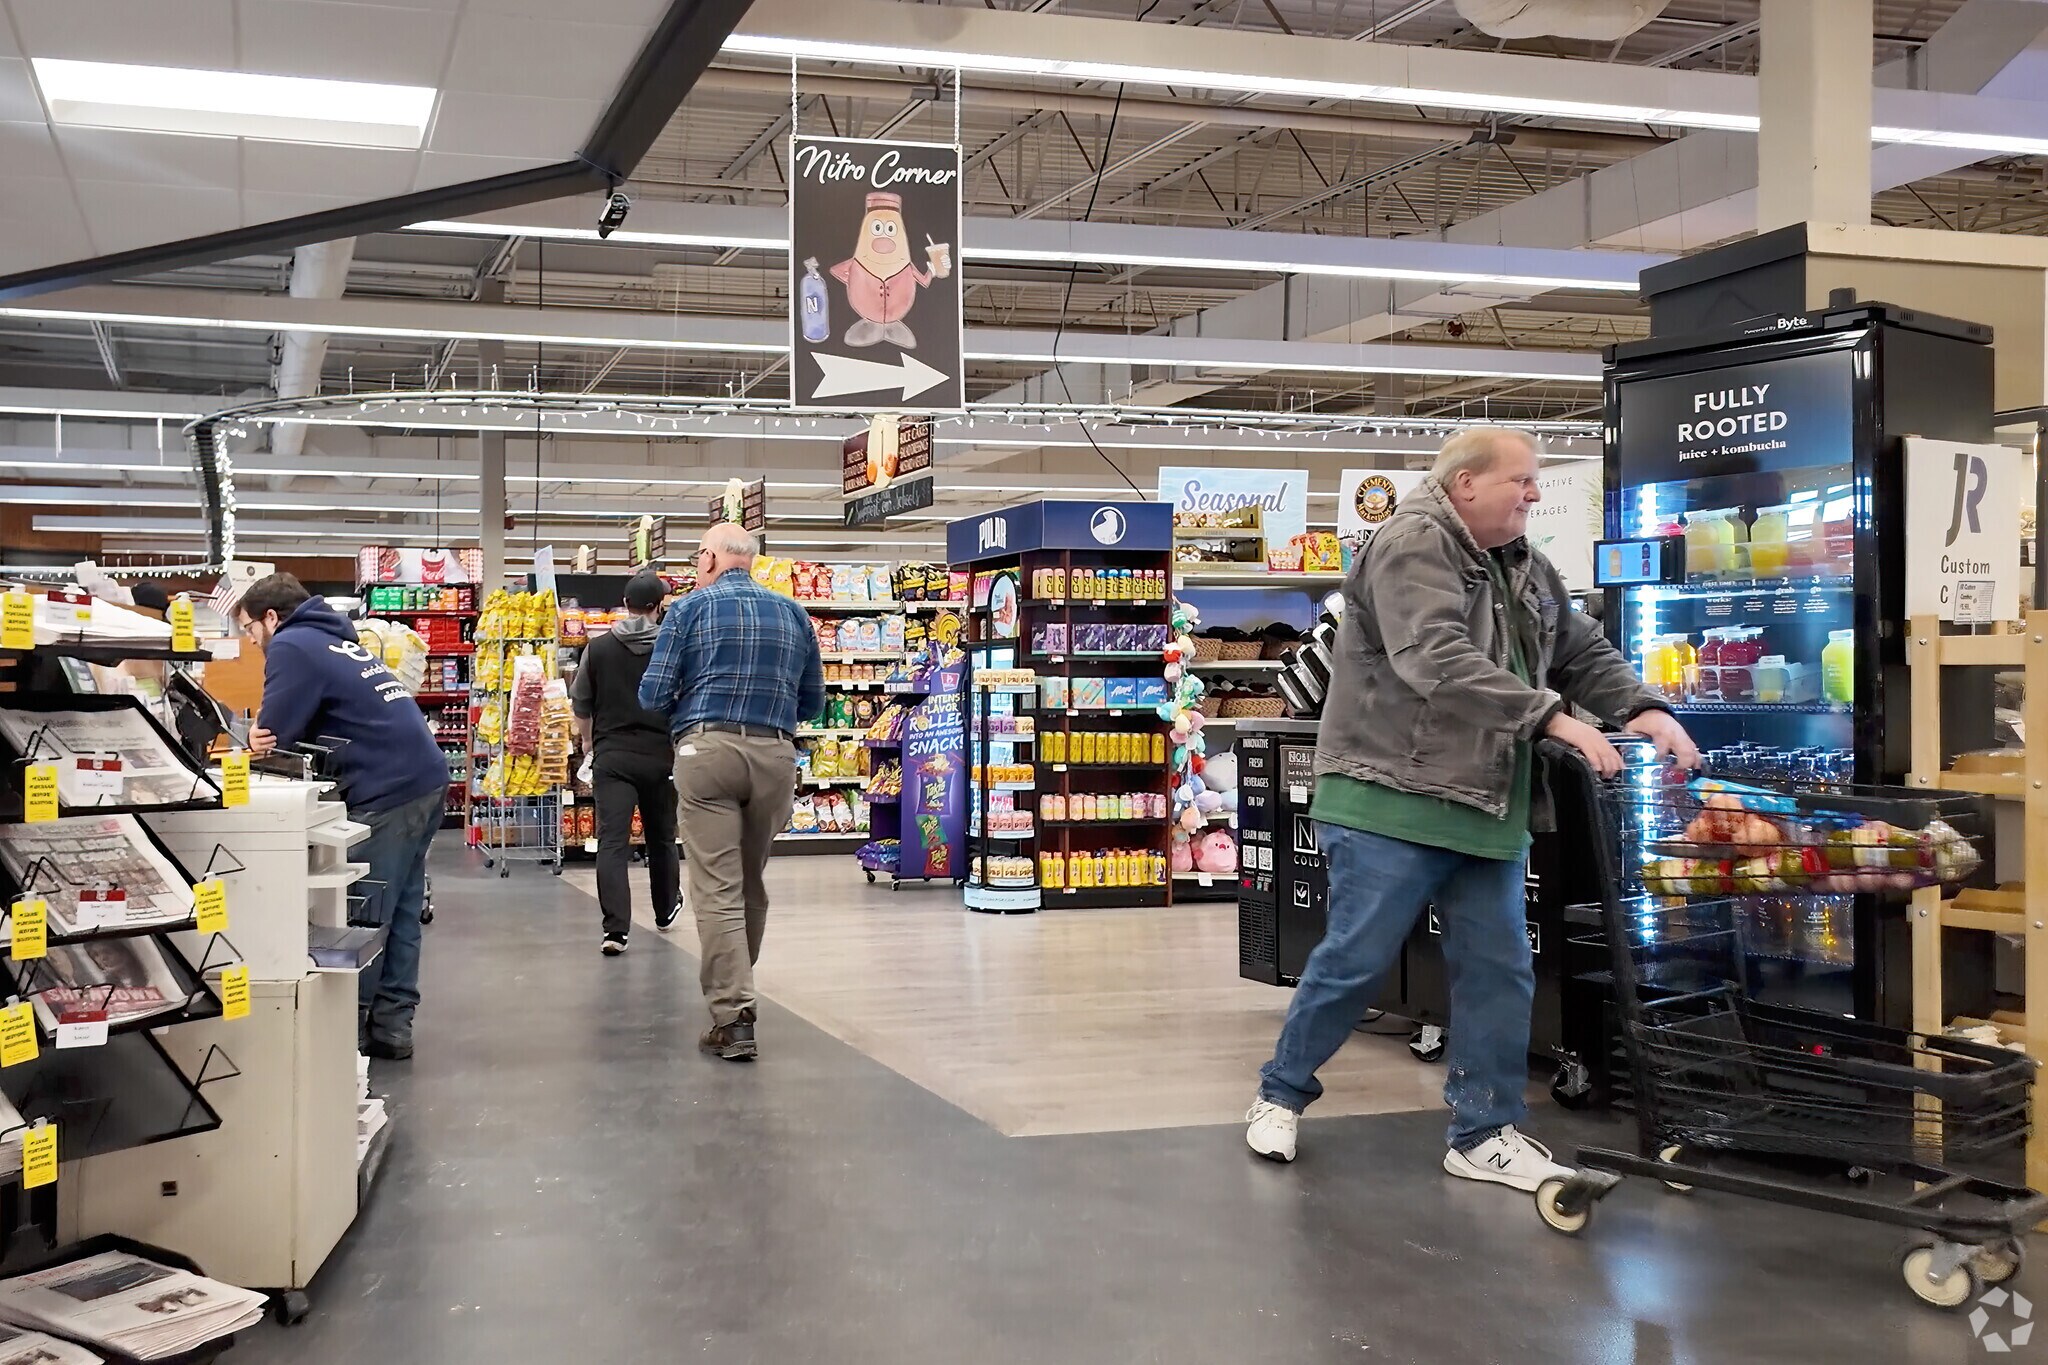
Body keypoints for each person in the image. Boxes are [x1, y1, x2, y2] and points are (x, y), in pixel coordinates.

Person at [1245, 427, 1699, 1191]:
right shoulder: (1412, 544)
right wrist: (1556, 719)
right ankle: (1281, 1093)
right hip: (1388, 795)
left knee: (1499, 969)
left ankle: (1482, 1131)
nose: (1534, 493)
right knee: (1355, 960)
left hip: (1487, 802)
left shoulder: (1521, 562)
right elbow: (1434, 658)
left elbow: (1578, 645)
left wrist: (1643, 706)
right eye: (1521, 479)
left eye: (1535, 481)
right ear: (1464, 485)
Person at [238, 573, 449, 1061]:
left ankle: (345, 1034)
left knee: (364, 911)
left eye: (250, 628)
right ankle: (393, 1027)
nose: (251, 641)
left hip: (387, 788)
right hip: (424, 776)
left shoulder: (291, 644)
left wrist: (255, 738)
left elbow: (275, 735)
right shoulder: (336, 639)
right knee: (400, 911)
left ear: (271, 618)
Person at [639, 525, 825, 1062]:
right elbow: (812, 703)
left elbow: (652, 693)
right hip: (775, 757)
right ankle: (739, 991)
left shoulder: (688, 611)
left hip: (707, 753)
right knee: (749, 882)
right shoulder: (793, 614)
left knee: (716, 888)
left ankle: (735, 1014)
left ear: (708, 559)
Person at [570, 571, 680, 957]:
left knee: (612, 843)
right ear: (658, 606)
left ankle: (616, 930)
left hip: (612, 757)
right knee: (661, 837)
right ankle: (665, 909)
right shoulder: (670, 648)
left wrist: (588, 739)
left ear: (625, 602)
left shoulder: (597, 649)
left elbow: (581, 704)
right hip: (659, 756)